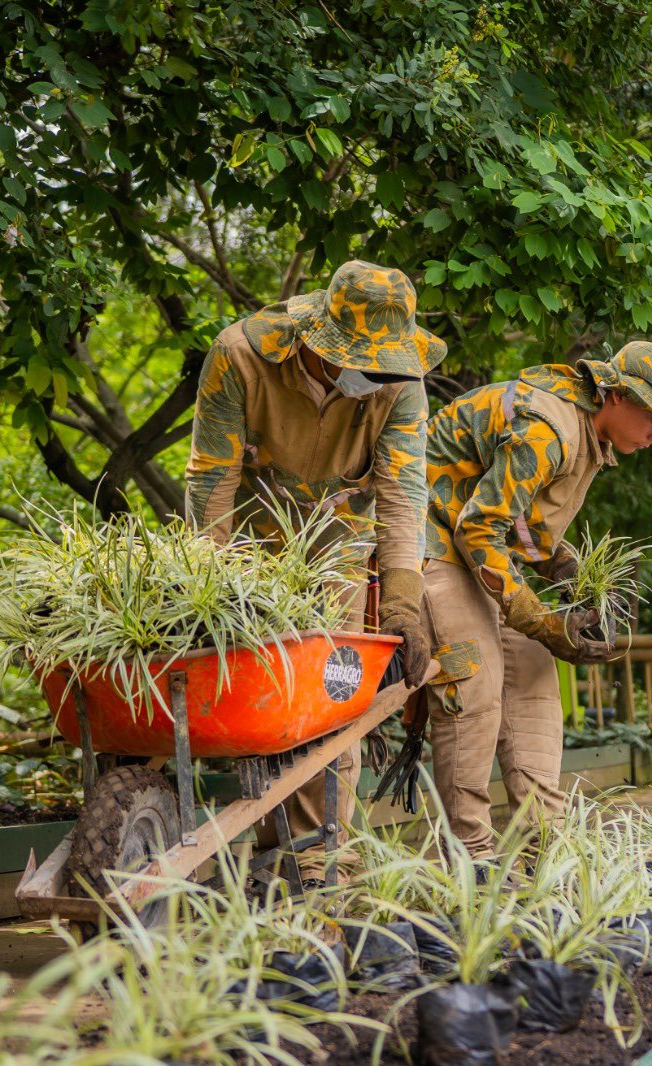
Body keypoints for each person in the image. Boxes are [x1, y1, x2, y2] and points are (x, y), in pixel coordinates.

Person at [184, 259, 442, 881]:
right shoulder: (240, 356)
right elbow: (211, 480)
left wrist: (403, 598)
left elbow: (402, 492)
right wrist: (206, 583)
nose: (377, 379)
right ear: (321, 343)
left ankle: (319, 856)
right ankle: (256, 839)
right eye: (366, 365)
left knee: (330, 690)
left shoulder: (401, 381)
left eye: (387, 368)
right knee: (252, 689)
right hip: (248, 540)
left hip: (337, 542)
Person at [421, 342, 652, 859]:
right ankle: (469, 854)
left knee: (533, 678)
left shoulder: (588, 434)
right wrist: (543, 621)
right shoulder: (550, 431)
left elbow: (524, 528)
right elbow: (478, 529)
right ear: (616, 395)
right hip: (432, 542)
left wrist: (572, 576)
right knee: (475, 679)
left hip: (483, 553)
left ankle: (544, 845)